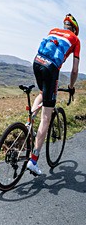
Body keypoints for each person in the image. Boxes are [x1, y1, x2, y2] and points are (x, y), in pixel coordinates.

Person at [27, 13, 80, 175]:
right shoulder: (76, 40)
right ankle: (33, 161)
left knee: (42, 92)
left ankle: (29, 122)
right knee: (46, 118)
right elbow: (75, 69)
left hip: (37, 62)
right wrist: (71, 86)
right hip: (51, 69)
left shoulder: (54, 31)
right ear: (75, 30)